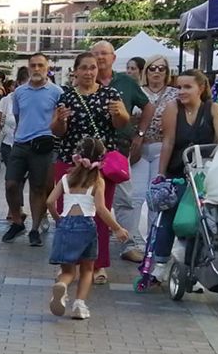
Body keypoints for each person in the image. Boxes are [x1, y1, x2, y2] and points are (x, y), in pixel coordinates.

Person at [51, 51, 129, 283]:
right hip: (70, 162)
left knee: (99, 213)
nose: (88, 72)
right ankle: (69, 264)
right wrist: (61, 120)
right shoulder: (66, 95)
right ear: (75, 70)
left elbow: (121, 124)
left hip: (100, 165)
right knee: (70, 213)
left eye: (92, 67)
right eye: (84, 68)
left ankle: (98, 265)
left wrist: (118, 114)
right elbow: (57, 131)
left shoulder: (110, 93)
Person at [149, 69, 218, 279]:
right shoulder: (172, 108)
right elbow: (168, 141)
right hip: (178, 169)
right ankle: (160, 264)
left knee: (200, 218)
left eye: (187, 87)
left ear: (201, 88)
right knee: (169, 216)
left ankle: (193, 263)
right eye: (179, 87)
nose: (181, 92)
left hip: (204, 171)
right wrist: (161, 174)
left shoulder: (213, 109)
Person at [46, 138, 129, 320]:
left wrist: (58, 219)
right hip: (86, 226)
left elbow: (50, 202)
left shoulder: (66, 178)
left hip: (65, 224)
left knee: (68, 271)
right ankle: (79, 305)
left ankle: (62, 285)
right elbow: (101, 209)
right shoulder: (97, 181)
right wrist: (117, 228)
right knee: (87, 270)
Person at [90, 41, 154, 275]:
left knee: (124, 196)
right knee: (93, 199)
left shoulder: (126, 82)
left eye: (104, 54)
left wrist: (140, 134)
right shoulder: (87, 81)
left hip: (119, 149)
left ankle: (127, 244)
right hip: (92, 150)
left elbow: (148, 106)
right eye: (95, 54)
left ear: (113, 57)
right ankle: (92, 248)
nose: (99, 58)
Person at [2, 52, 62, 247]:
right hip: (20, 144)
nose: (36, 69)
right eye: (33, 65)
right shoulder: (19, 92)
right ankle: (18, 222)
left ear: (47, 68)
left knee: (38, 188)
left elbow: (59, 120)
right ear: (28, 68)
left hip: (43, 146)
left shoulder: (56, 92)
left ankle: (34, 229)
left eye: (40, 65)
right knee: (11, 184)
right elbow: (19, 117)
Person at [124, 55, 179, 262]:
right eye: (152, 68)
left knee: (156, 195)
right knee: (135, 195)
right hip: (139, 148)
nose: (157, 72)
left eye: (161, 69)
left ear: (167, 72)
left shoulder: (174, 94)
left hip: (161, 147)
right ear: (145, 71)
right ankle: (134, 240)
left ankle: (155, 240)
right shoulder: (137, 92)